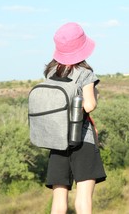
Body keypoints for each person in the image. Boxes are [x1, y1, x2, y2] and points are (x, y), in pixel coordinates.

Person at [44, 22, 106, 214]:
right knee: (83, 199)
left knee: (59, 200)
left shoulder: (51, 73)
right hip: (82, 140)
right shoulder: (85, 73)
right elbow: (90, 105)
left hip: (57, 140)